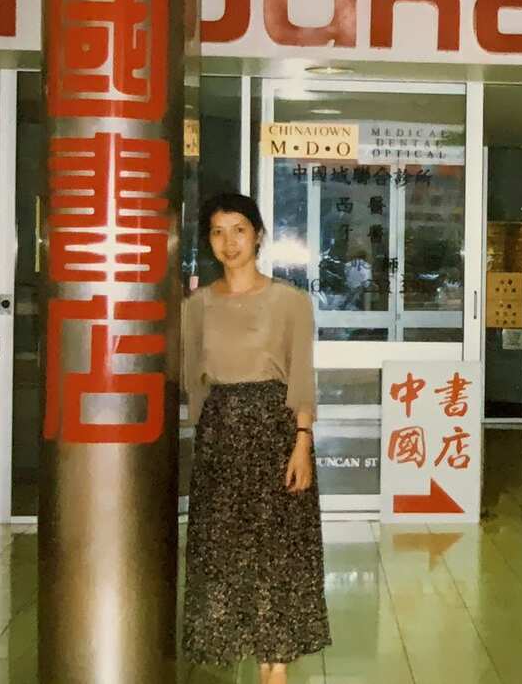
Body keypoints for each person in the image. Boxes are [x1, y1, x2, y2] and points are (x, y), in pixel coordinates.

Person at [181, 193, 331, 683]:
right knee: (224, 548)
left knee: (279, 546)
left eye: (239, 230)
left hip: (275, 428)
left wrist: (302, 440)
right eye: (218, 232)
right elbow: (193, 381)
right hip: (221, 433)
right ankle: (239, 643)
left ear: (259, 235)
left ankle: (276, 660)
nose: (229, 242)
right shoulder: (197, 306)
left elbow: (302, 378)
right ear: (209, 240)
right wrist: (204, 438)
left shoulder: (289, 301)